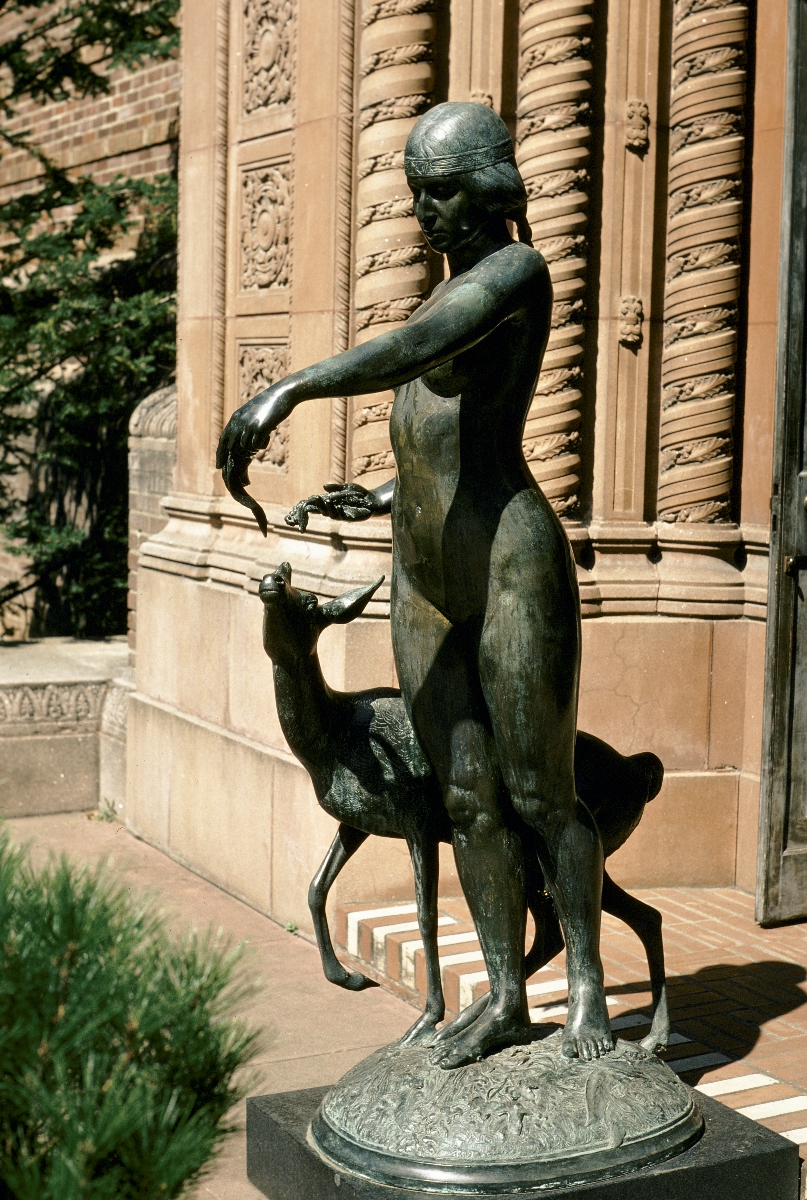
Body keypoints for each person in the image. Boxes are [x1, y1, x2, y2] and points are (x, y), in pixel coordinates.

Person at [217, 102, 613, 1068]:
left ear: (487, 185)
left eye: (438, 190)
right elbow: (447, 433)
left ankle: (588, 991)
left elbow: (424, 349)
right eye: (413, 192)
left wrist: (290, 387)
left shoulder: (513, 271)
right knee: (466, 795)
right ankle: (505, 995)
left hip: (511, 565)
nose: (422, 209)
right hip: (424, 576)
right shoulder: (446, 293)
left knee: (539, 791)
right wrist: (383, 494)